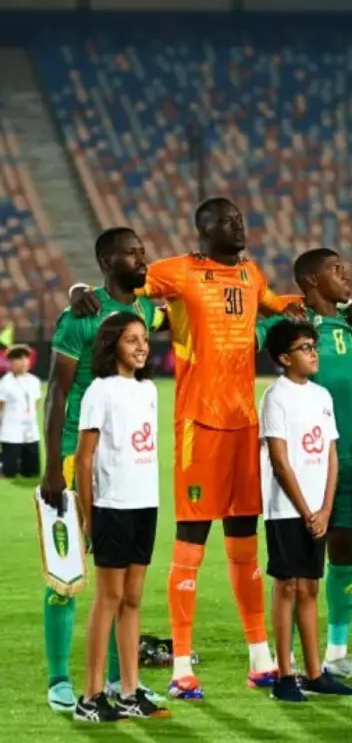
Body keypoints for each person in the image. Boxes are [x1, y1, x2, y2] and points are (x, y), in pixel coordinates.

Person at [134, 198, 304, 699]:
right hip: (198, 423)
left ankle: (260, 658)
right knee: (191, 540)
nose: (239, 224)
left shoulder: (251, 275)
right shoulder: (180, 272)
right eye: (227, 220)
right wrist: (97, 297)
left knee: (244, 541)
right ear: (203, 229)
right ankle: (181, 664)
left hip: (243, 423)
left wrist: (323, 299)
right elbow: (131, 290)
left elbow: (279, 304)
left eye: (241, 218)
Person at [41, 227, 163, 711]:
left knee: (121, 579)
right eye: (133, 252)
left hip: (123, 469)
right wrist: (54, 468)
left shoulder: (146, 310)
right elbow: (57, 393)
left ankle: (120, 682)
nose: (143, 257)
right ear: (108, 261)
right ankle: (59, 680)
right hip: (77, 455)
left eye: (143, 250)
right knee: (67, 574)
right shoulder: (79, 316)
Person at [255, 248, 352, 680]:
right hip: (300, 467)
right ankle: (285, 664)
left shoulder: (350, 323)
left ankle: (336, 650)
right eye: (335, 270)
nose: (346, 275)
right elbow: (240, 333)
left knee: (345, 547)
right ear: (309, 280)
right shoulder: (288, 326)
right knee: (296, 572)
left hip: (342, 456)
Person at [73, 313, 167, 722]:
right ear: (113, 346)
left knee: (132, 599)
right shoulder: (100, 391)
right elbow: (84, 457)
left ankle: (129, 691)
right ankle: (90, 696)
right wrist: (88, 515)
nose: (142, 346)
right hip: (112, 506)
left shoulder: (148, 391)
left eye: (144, 339)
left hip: (145, 503)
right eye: (132, 340)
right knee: (108, 598)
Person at [259, 320, 352, 702]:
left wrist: (325, 508)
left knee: (311, 587)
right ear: (284, 358)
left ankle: (315, 672)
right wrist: (306, 509)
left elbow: (331, 454)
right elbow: (280, 461)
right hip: (287, 509)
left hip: (318, 507)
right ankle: (285, 674)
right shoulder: (276, 397)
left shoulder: (321, 396)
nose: (314, 352)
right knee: (288, 586)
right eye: (304, 347)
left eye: (313, 346)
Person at [0, 344, 42, 477]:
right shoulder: (5, 383)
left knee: (32, 473)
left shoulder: (34, 381)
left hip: (30, 432)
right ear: (11, 362)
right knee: (9, 473)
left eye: (26, 358)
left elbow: (36, 403)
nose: (23, 362)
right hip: (12, 432)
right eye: (19, 359)